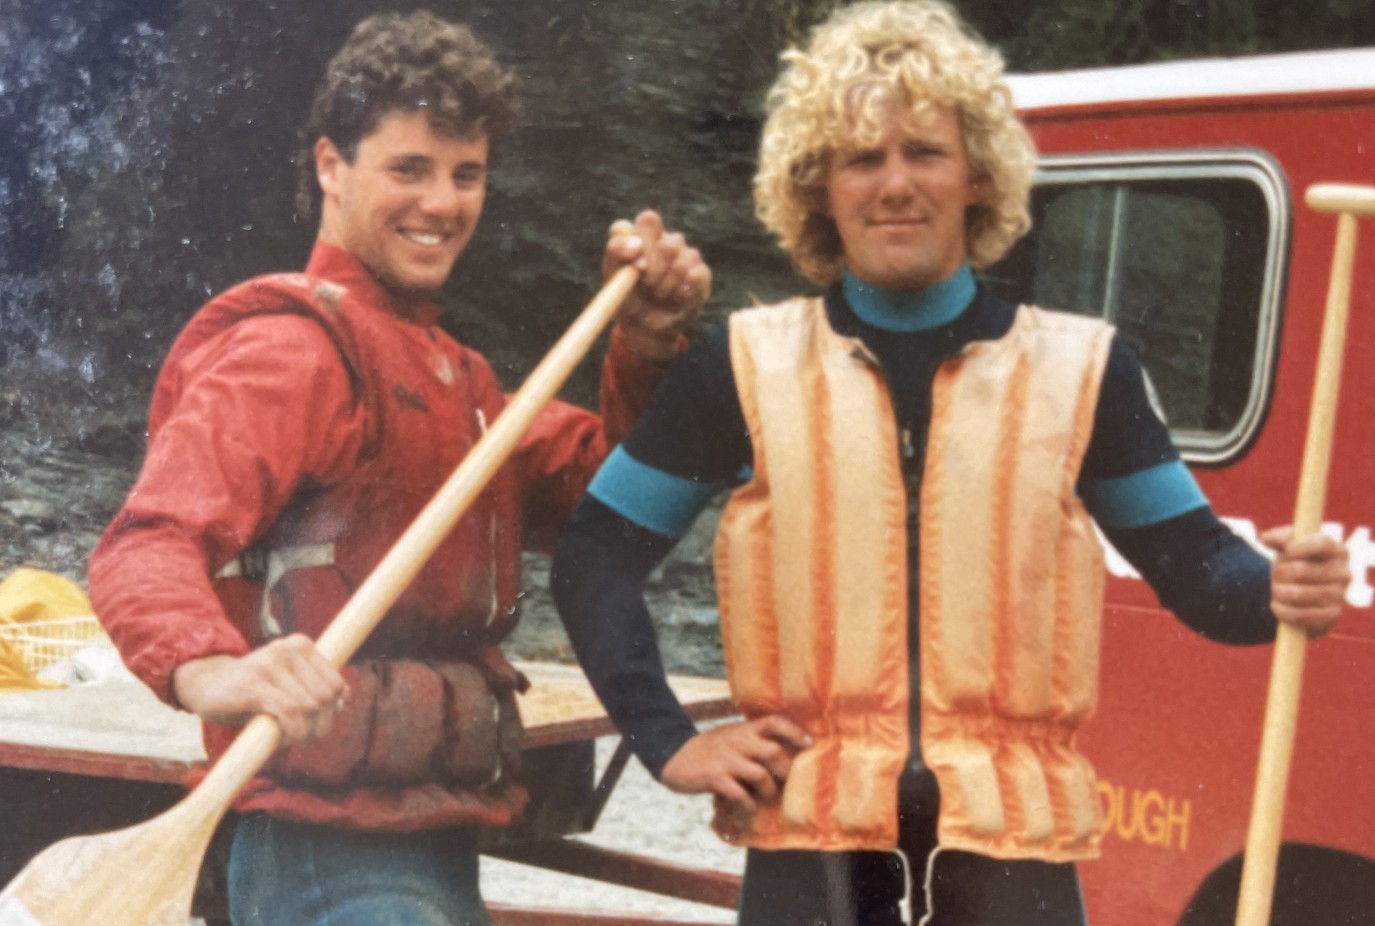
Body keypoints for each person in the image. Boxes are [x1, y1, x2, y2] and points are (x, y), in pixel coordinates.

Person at [550, 3, 1351, 924]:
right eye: (861, 158)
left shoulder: (1083, 370)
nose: (895, 184)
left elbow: (1203, 570)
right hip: (812, 857)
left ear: (976, 174)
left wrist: (1279, 588)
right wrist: (667, 740)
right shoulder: (737, 366)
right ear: (817, 187)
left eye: (924, 152)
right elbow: (593, 555)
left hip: (1016, 860)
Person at [88, 10, 709, 926]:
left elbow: (610, 505)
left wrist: (647, 352)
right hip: (314, 851)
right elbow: (147, 541)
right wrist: (209, 669)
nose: (443, 202)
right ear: (331, 166)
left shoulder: (457, 379)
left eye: (467, 175)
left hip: (425, 843)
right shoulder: (289, 357)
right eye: (408, 169)